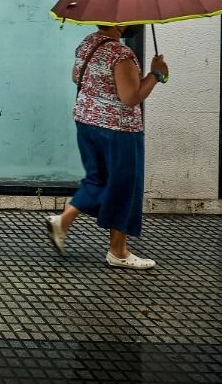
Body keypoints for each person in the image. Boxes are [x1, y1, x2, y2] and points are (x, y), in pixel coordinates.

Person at [44, 24, 169, 269]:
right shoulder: (121, 55)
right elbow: (130, 97)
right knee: (124, 186)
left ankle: (63, 222)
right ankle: (118, 252)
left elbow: (75, 76)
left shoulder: (88, 43)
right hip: (118, 131)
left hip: (86, 122)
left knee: (97, 179)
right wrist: (155, 74)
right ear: (119, 22)